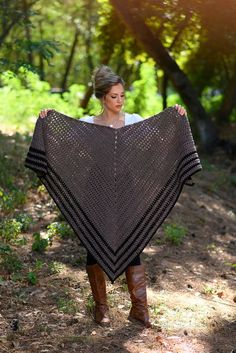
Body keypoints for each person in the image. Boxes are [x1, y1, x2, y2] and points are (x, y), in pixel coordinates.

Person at [39, 65, 187, 328]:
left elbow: (160, 136)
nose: (119, 101)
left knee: (133, 242)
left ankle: (139, 309)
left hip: (127, 188)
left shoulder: (133, 121)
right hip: (96, 188)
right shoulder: (88, 125)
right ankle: (102, 309)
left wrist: (175, 116)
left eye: (122, 96)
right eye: (114, 96)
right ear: (102, 98)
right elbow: (61, 142)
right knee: (93, 243)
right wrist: (47, 120)